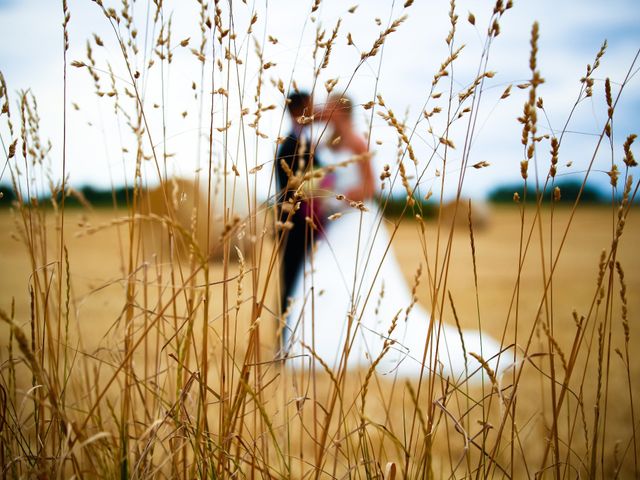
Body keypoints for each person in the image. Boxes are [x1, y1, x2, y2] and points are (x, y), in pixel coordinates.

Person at [284, 94, 506, 382]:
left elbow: (369, 188)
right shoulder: (326, 145)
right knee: (324, 277)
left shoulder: (358, 143)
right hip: (334, 225)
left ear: (342, 112)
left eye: (329, 108)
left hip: (357, 220)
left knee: (361, 281)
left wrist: (335, 199)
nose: (322, 112)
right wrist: (320, 196)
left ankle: (355, 342)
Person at [275, 91, 322, 316]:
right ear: (298, 109)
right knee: (291, 283)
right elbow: (295, 188)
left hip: (310, 224)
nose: (314, 110)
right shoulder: (289, 145)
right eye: (311, 105)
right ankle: (284, 340)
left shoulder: (307, 141)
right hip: (293, 225)